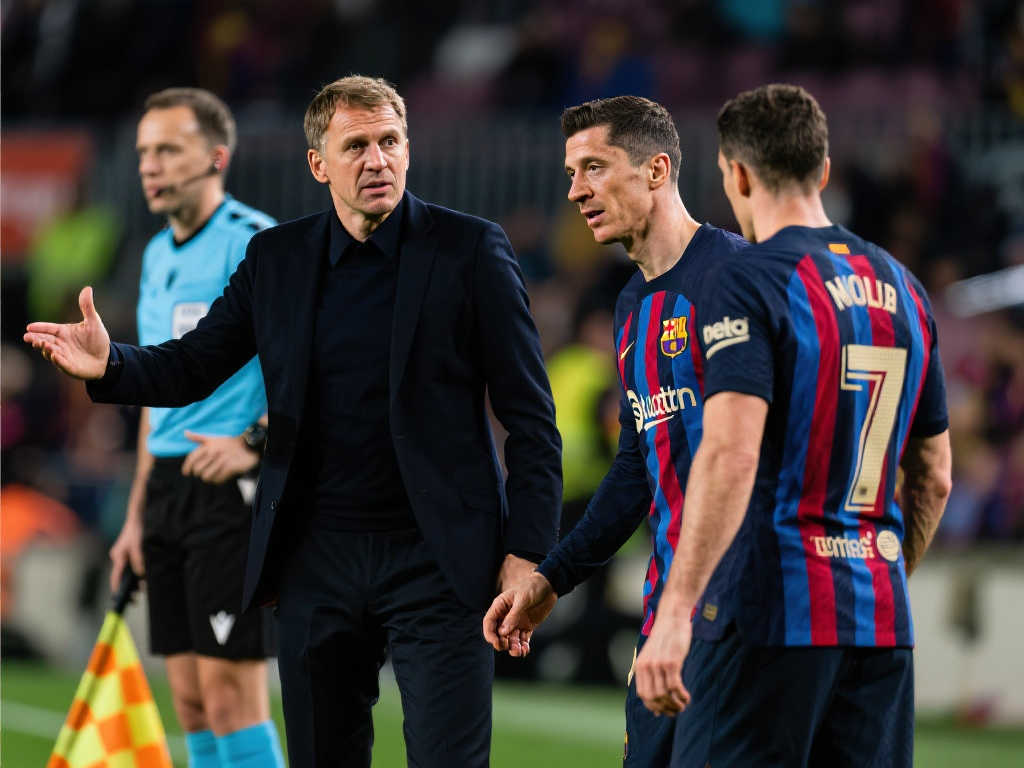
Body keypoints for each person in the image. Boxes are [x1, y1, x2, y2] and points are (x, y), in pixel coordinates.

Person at [25, 75, 561, 768]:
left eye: (390, 141)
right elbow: (193, 364)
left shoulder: (471, 250)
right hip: (316, 561)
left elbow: (531, 418)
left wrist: (527, 553)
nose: (377, 160)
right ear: (318, 164)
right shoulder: (278, 258)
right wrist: (111, 365)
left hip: (439, 563)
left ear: (408, 148)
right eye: (356, 146)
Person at [631, 84, 953, 766]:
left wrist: (677, 612)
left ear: (739, 175)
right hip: (878, 624)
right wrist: (876, 578)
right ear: (824, 170)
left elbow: (730, 453)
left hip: (767, 615)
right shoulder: (905, 287)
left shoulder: (748, 281)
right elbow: (934, 478)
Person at [482, 95, 746, 765]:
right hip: (669, 609)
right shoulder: (632, 306)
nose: (576, 191)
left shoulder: (739, 280)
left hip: (745, 613)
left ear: (656, 170)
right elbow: (636, 468)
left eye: (594, 168)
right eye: (572, 174)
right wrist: (550, 579)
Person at [109, 87, 283, 768]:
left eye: (168, 150)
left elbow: (314, 369)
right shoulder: (156, 254)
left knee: (231, 697)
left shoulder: (258, 244)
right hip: (166, 490)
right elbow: (156, 398)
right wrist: (135, 516)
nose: (150, 165)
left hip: (229, 493)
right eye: (143, 152)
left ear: (216, 157)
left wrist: (253, 443)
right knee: (188, 702)